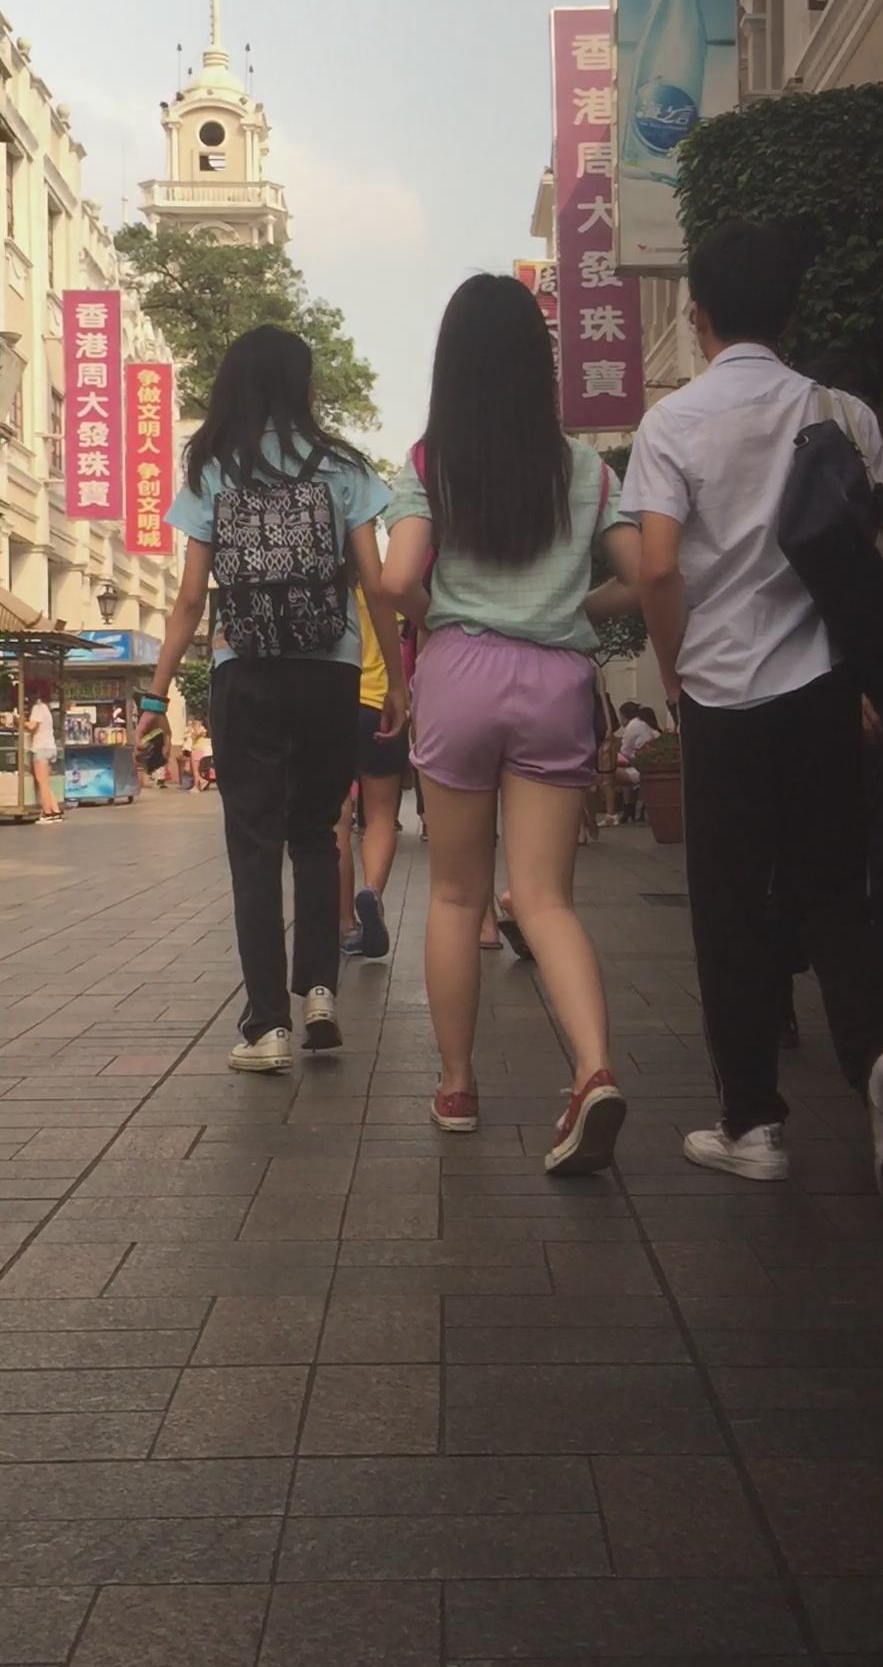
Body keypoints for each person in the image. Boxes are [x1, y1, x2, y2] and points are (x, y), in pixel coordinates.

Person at [622, 219, 883, 1207]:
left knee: (730, 909)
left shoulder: (672, 424)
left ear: (698, 317)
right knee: (835, 891)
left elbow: (658, 566)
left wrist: (674, 671)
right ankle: (880, 1055)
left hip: (721, 694)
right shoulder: (841, 410)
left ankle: (752, 1125)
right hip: (823, 690)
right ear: (790, 313)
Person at [382, 272, 640, 1175]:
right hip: (556, 680)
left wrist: (436, 617)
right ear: (541, 362)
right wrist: (571, 608)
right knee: (545, 898)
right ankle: (593, 1069)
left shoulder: (429, 462)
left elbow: (396, 576)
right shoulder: (586, 470)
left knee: (457, 896)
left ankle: (457, 1087)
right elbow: (644, 573)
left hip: (460, 673)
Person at [135, 324, 406, 1075]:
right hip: (331, 672)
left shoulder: (214, 467)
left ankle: (266, 1026)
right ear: (302, 384)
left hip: (244, 670)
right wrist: (399, 683)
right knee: (317, 833)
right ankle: (319, 990)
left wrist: (156, 699)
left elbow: (191, 599)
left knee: (254, 845)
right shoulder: (344, 467)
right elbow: (376, 584)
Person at [778, 348, 883, 1041]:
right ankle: (783, 993)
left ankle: (880, 1019)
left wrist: (874, 672)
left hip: (861, 677)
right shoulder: (786, 431)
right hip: (802, 679)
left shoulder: (853, 423)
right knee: (805, 851)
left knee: (881, 857)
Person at [337, 582, 410, 958]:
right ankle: (373, 891)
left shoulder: (324, 583)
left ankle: (345, 924)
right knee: (381, 816)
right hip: (379, 705)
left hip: (333, 703)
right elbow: (397, 640)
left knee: (337, 819)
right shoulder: (379, 588)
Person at [25, 684, 62, 824]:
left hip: (41, 748)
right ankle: (55, 810)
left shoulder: (37, 708)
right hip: (50, 747)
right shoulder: (47, 709)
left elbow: (32, 726)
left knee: (42, 782)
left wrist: (19, 721)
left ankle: (47, 813)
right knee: (46, 783)